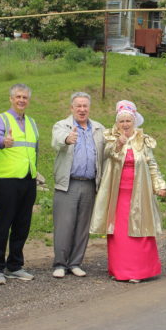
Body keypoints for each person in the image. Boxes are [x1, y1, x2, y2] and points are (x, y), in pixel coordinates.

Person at [90, 100, 166, 283]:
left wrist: (160, 185)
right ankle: (120, 270)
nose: (125, 124)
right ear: (117, 123)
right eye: (121, 121)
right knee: (119, 233)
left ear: (135, 122)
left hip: (140, 193)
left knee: (140, 230)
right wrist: (118, 143)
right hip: (118, 195)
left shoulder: (143, 140)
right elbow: (108, 154)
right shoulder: (110, 138)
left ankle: (140, 271)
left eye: (128, 121)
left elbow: (152, 164)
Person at [0, 83, 39, 285]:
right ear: (11, 98)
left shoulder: (33, 123)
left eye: (25, 97)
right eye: (18, 97)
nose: (21, 100)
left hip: (28, 180)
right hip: (6, 181)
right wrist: (3, 141)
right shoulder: (0, 119)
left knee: (22, 225)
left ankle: (15, 265)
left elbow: (34, 149)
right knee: (3, 225)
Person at [50, 91, 105, 278]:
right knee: (64, 225)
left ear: (89, 108)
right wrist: (67, 139)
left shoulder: (98, 128)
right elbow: (57, 141)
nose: (82, 110)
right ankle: (60, 263)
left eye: (85, 106)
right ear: (71, 108)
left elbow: (108, 150)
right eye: (78, 106)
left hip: (89, 183)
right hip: (68, 183)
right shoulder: (62, 126)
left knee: (83, 226)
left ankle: (75, 263)